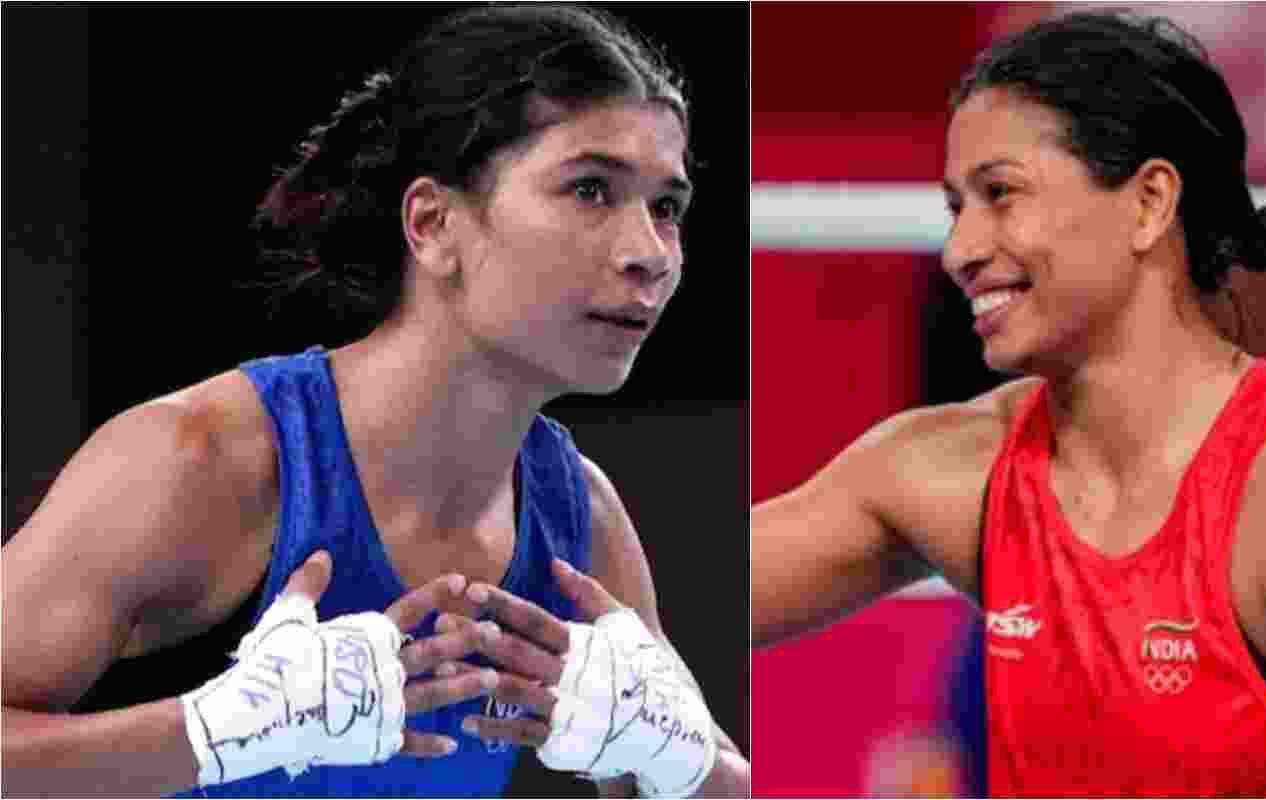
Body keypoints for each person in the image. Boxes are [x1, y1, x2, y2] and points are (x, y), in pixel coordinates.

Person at [2, 4, 748, 797]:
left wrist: (684, 763)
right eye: (591, 189)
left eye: (667, 206)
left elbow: (716, 781)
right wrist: (207, 733)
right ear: (432, 223)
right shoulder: (201, 460)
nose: (649, 253)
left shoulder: (579, 520)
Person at [750, 12, 1266, 797]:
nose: (960, 249)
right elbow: (651, 584)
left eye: (1001, 195)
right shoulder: (946, 469)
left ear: (1148, 203)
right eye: (955, 208)